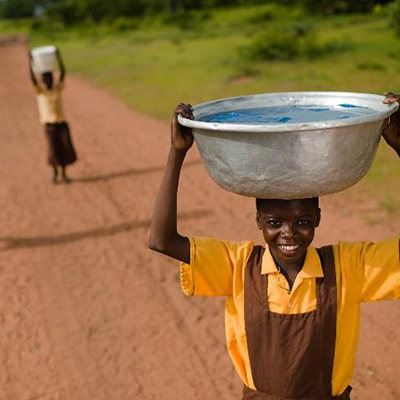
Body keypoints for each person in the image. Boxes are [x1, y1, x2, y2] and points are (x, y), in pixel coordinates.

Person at [148, 96, 400, 400]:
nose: (288, 233)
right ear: (258, 221)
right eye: (275, 222)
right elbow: (161, 240)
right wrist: (176, 153)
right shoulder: (238, 265)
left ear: (318, 218)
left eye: (303, 221)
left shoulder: (348, 267)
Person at [29, 48, 77, 184]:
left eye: (50, 78)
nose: (49, 80)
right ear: (43, 80)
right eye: (46, 78)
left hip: (61, 123)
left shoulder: (57, 89)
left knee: (65, 147)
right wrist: (31, 61)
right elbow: (32, 78)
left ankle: (64, 173)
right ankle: (55, 173)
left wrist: (58, 57)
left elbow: (63, 73)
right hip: (49, 125)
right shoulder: (40, 92)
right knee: (53, 149)